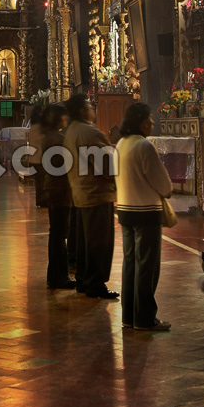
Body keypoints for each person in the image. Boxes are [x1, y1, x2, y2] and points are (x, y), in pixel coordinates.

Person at [115, 102, 173, 331]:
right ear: (141, 122)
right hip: (146, 211)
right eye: (149, 119)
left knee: (130, 264)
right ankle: (145, 318)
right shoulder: (144, 146)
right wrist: (167, 190)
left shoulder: (121, 144)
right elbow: (163, 185)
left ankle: (128, 316)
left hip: (126, 210)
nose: (153, 122)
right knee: (147, 267)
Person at [63, 93, 118, 300]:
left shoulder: (72, 131)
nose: (92, 108)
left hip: (80, 191)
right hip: (96, 193)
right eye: (88, 105)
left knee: (85, 241)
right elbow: (106, 166)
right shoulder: (90, 132)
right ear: (81, 111)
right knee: (99, 241)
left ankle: (84, 279)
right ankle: (95, 283)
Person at [41, 103, 75, 289]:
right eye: (63, 115)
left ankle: (54, 274)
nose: (65, 118)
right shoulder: (57, 139)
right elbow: (66, 164)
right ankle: (58, 276)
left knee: (57, 233)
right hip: (60, 190)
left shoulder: (51, 137)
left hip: (55, 189)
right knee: (59, 234)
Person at [27, 108, 46, 208]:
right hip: (40, 157)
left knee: (39, 182)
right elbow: (43, 140)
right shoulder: (40, 128)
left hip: (33, 158)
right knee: (42, 182)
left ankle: (39, 201)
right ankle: (42, 201)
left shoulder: (32, 128)